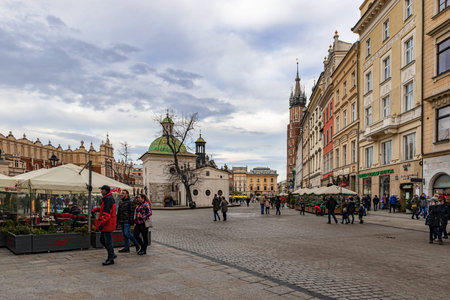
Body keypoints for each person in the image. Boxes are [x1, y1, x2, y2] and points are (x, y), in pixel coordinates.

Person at [92, 185, 117, 266]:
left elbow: (107, 213)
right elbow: (105, 209)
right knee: (103, 240)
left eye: (101, 190)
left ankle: (111, 258)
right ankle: (112, 254)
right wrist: (97, 209)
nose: (100, 191)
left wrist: (102, 223)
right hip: (107, 222)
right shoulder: (107, 198)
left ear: (105, 190)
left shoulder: (108, 199)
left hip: (108, 223)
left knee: (108, 241)